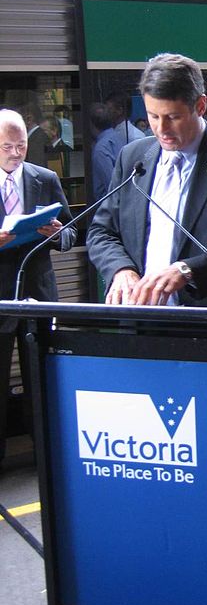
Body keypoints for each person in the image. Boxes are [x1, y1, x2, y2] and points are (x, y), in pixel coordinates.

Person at [86, 53, 207, 388]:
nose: (161, 129)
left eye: (173, 117)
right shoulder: (133, 157)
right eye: (152, 116)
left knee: (206, 436)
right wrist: (121, 270)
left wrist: (187, 270)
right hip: (142, 327)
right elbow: (102, 230)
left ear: (200, 106)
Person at [0, 109, 76, 467]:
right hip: (1, 299)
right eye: (7, 147)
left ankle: (47, 456)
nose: (17, 153)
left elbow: (72, 233)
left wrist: (58, 233)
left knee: (43, 377)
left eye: (22, 145)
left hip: (39, 296)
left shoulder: (44, 178)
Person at [92, 92, 145, 199]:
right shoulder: (114, 134)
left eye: (108, 109)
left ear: (120, 110)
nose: (105, 113)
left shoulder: (134, 136)